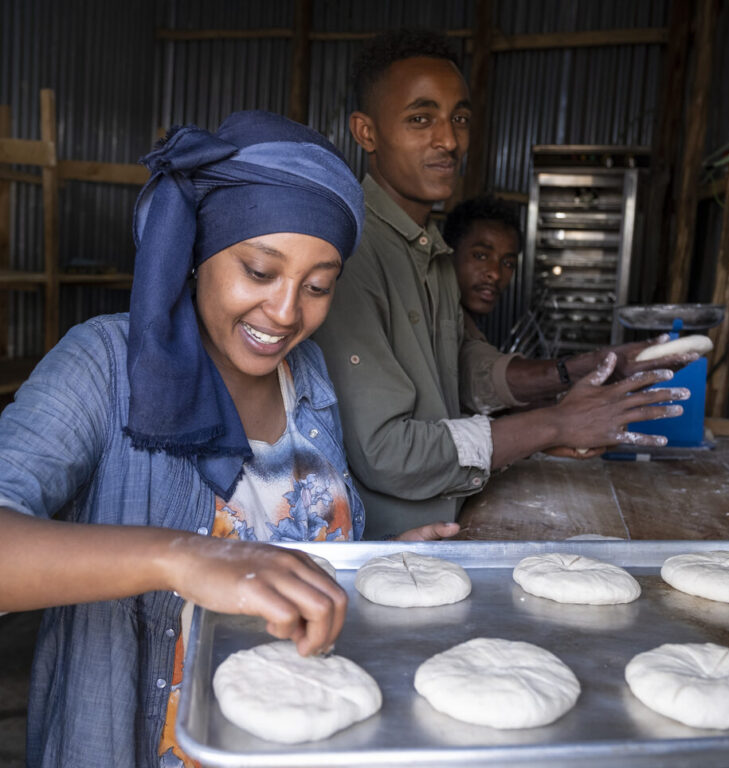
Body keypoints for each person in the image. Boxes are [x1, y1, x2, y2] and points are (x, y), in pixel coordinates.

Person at [0, 111, 452, 768]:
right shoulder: (104, 366)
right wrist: (181, 558)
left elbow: (291, 558)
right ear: (198, 251)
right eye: (260, 271)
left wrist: (369, 569)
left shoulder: (311, 380)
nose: (287, 313)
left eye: (319, 285)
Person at [313, 29, 693, 539]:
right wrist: (553, 425)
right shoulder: (350, 254)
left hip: (446, 525)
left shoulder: (431, 247)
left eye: (460, 119)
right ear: (366, 132)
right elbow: (385, 453)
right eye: (420, 119)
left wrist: (580, 369)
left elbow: (464, 369)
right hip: (385, 551)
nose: (449, 140)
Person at [444, 193, 680, 411]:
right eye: (481, 256)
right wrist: (581, 368)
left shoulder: (468, 326)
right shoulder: (434, 319)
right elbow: (476, 380)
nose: (495, 274)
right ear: (447, 253)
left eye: (508, 263)